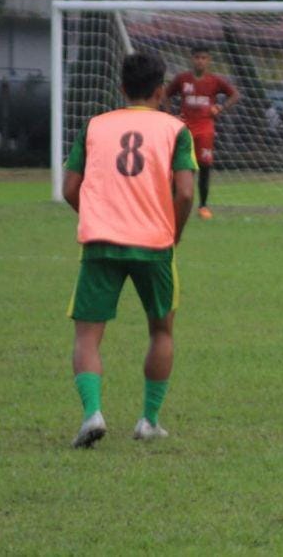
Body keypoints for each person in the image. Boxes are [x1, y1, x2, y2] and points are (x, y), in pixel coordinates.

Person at [63, 52, 197, 448]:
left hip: (101, 241)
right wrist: (174, 229)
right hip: (155, 242)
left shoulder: (94, 126)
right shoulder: (175, 129)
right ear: (160, 91)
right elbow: (186, 192)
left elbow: (70, 188)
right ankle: (149, 421)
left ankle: (92, 414)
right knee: (161, 330)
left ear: (121, 89)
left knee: (88, 336)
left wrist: (98, 215)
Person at [162, 45, 239, 220]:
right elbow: (165, 94)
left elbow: (234, 95)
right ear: (192, 59)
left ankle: (203, 206)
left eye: (204, 58)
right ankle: (175, 204)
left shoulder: (215, 81)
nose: (200, 61)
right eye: (197, 57)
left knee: (205, 166)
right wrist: (169, 115)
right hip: (185, 129)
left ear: (209, 60)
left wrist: (220, 106)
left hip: (205, 129)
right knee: (182, 166)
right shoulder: (182, 79)